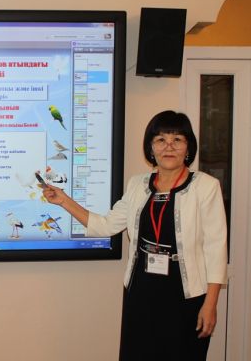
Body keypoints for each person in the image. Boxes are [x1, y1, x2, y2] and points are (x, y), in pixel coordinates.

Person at [42, 110, 228, 361]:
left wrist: (211, 304)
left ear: (188, 148)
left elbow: (216, 248)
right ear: (151, 148)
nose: (169, 146)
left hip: (185, 295)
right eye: (160, 140)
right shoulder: (137, 185)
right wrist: (63, 200)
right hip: (142, 290)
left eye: (177, 139)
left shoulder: (206, 186)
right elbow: (105, 225)